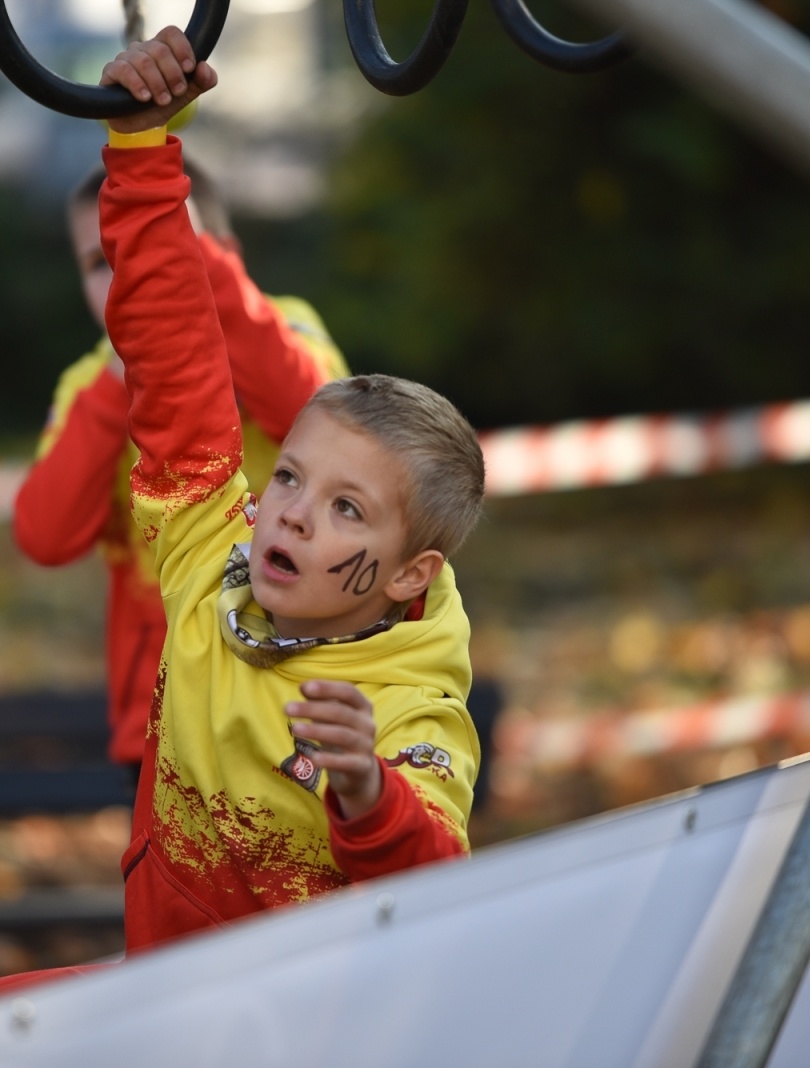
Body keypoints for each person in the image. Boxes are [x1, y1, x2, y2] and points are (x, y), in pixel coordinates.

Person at [97, 28, 484, 950]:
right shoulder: (207, 557)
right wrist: (143, 149)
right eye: (293, 479)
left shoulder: (408, 708)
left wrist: (365, 790)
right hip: (170, 1007)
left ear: (407, 572)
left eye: (348, 509)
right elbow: (176, 366)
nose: (296, 513)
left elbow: (445, 893)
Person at [12, 153, 347, 774]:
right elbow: (45, 535)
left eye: (162, 246)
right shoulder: (88, 384)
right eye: (99, 262)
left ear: (225, 254)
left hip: (304, 695)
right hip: (165, 722)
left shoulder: (284, 323)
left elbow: (322, 418)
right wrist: (122, 380)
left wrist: (188, 278)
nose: (126, 273)